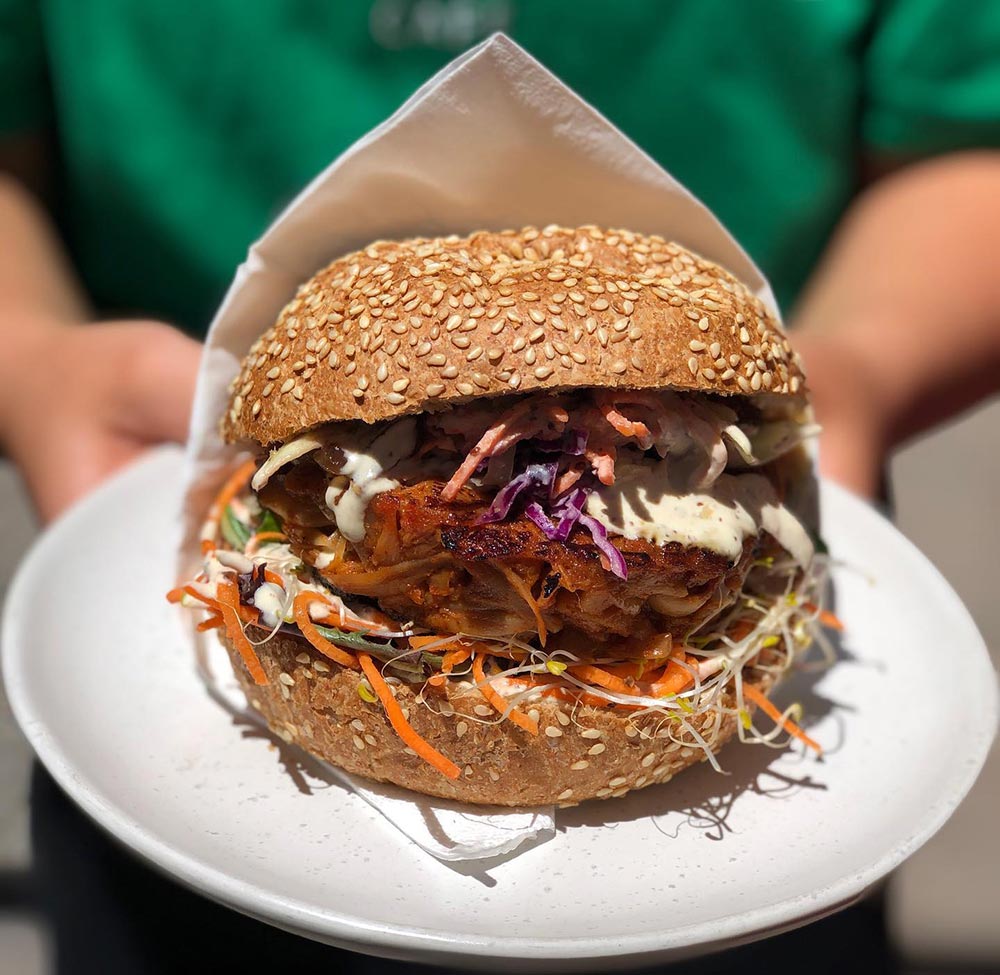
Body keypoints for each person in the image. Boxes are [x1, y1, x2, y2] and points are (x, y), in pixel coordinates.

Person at [1, 2, 999, 972]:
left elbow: (970, 148)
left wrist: (864, 367)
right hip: (174, 852)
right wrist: (36, 365)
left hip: (756, 883)